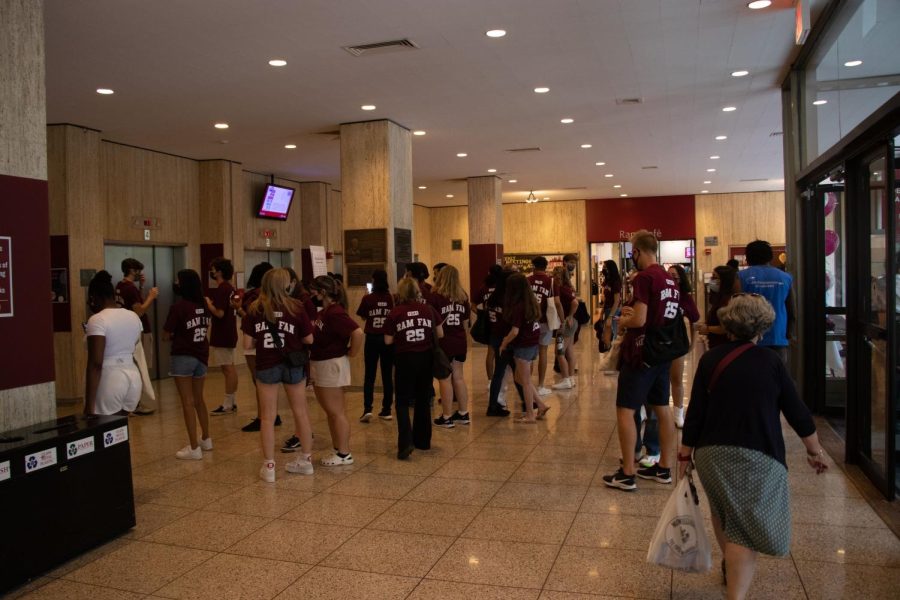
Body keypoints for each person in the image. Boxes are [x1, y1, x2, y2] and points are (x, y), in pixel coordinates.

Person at [679, 293, 827, 599]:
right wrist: (814, 450)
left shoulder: (710, 359)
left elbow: (695, 412)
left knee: (723, 513)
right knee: (743, 530)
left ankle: (729, 564)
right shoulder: (770, 361)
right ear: (763, 327)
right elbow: (796, 411)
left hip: (710, 454)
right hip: (756, 454)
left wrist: (684, 453)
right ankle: (736, 593)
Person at [602, 230, 679, 491]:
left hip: (641, 352)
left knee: (626, 409)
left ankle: (627, 472)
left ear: (637, 251)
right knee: (661, 407)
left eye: (632, 252)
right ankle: (665, 468)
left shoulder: (644, 278)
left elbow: (639, 319)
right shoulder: (668, 278)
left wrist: (621, 320)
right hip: (662, 353)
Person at [243, 269, 315, 482]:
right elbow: (309, 339)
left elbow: (247, 345)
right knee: (300, 412)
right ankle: (306, 461)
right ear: (286, 285)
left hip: (266, 365)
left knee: (267, 416)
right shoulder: (296, 308)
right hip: (293, 364)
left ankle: (270, 466)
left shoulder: (254, 309)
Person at [384, 277, 443, 459]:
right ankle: (423, 441)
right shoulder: (428, 310)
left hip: (404, 359)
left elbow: (387, 340)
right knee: (423, 399)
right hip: (425, 358)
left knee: (402, 401)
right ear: (417, 291)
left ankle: (405, 443)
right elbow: (440, 333)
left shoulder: (395, 312)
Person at [309, 275, 363, 466]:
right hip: (322, 363)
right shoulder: (325, 312)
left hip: (332, 364)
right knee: (331, 412)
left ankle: (344, 453)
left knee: (336, 411)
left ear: (323, 292)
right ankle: (338, 448)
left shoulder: (335, 312)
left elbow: (357, 332)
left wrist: (352, 352)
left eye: (314, 289)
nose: (311, 293)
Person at [163, 269, 212, 460]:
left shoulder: (179, 307)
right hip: (202, 355)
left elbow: (166, 335)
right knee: (199, 399)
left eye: (178, 280)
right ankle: (206, 439)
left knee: (187, 402)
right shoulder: (204, 305)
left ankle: (193, 448)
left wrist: (177, 334)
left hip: (183, 356)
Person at [83, 270, 143, 415]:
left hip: (109, 378)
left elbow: (95, 364)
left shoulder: (97, 319)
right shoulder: (133, 316)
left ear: (94, 297)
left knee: (103, 429)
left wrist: (89, 406)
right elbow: (133, 344)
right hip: (133, 377)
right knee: (120, 430)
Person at [234, 262, 282, 432]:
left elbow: (250, 318)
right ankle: (271, 414)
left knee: (259, 380)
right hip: (270, 340)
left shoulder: (254, 296)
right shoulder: (277, 296)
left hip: (255, 341)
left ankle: (264, 416)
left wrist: (238, 309)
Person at [498, 273, 550, 423]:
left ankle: (530, 415)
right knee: (519, 378)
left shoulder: (518, 306)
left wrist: (504, 343)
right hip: (532, 343)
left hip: (523, 345)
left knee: (525, 381)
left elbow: (515, 331)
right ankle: (540, 404)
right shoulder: (531, 301)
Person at [738, 240, 794, 364]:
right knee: (777, 377)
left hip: (749, 337)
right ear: (770, 256)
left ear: (748, 257)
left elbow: (736, 309)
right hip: (778, 337)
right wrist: (788, 334)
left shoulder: (741, 277)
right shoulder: (785, 277)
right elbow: (791, 310)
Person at [115, 257, 159, 415]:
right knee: (140, 367)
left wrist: (140, 287)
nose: (140, 273)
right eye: (138, 270)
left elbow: (134, 302)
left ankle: (131, 402)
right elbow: (138, 310)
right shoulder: (130, 288)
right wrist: (151, 297)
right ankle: (134, 403)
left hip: (125, 332)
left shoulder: (120, 286)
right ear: (132, 271)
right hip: (137, 332)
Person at [430, 265, 471, 427]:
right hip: (460, 340)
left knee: (444, 379)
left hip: (444, 342)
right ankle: (463, 413)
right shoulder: (463, 296)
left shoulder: (435, 296)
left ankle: (446, 416)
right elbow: (466, 324)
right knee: (459, 377)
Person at [355, 269, 395, 422]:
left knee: (369, 375)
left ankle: (367, 408)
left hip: (372, 338)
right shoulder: (391, 298)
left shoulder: (368, 298)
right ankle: (386, 409)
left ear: (373, 281)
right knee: (387, 375)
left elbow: (364, 316)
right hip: (387, 339)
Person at [667, 264, 700, 428]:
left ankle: (678, 413)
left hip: (678, 343)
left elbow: (695, 321)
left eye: (675, 275)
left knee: (676, 379)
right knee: (658, 379)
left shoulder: (685, 298)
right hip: (660, 343)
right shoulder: (661, 294)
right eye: (669, 275)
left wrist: (692, 344)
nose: (672, 278)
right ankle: (652, 411)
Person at [206, 257, 239, 416]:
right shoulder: (229, 288)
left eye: (213, 269)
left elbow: (219, 313)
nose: (211, 272)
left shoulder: (222, 289)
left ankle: (228, 403)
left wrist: (208, 304)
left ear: (219, 271)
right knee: (228, 367)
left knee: (228, 368)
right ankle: (231, 401)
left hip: (223, 333)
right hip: (228, 332)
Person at [528, 256, 562, 396]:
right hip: (545, 321)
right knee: (543, 352)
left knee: (529, 354)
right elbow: (558, 303)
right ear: (545, 266)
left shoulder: (527, 280)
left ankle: (528, 384)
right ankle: (540, 385)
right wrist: (562, 319)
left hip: (530, 322)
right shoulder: (551, 281)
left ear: (533, 266)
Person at [551, 266, 579, 390]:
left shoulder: (561, 289)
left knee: (559, 351)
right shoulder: (569, 288)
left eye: (557, 275)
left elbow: (575, 303)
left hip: (566, 325)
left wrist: (568, 317)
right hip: (571, 324)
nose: (555, 277)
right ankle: (571, 378)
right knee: (569, 351)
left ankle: (566, 379)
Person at [699, 265, 741, 349]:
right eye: (712, 277)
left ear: (725, 281)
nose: (712, 280)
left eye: (715, 277)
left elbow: (725, 328)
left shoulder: (728, 301)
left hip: (724, 346)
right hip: (717, 344)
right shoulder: (719, 298)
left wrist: (707, 328)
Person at [597, 259, 622, 350]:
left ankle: (612, 354)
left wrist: (611, 316)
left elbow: (616, 301)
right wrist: (601, 312)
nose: (604, 269)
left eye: (605, 267)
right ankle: (608, 351)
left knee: (612, 333)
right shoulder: (608, 281)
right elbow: (606, 298)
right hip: (607, 309)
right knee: (606, 333)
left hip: (614, 310)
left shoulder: (616, 282)